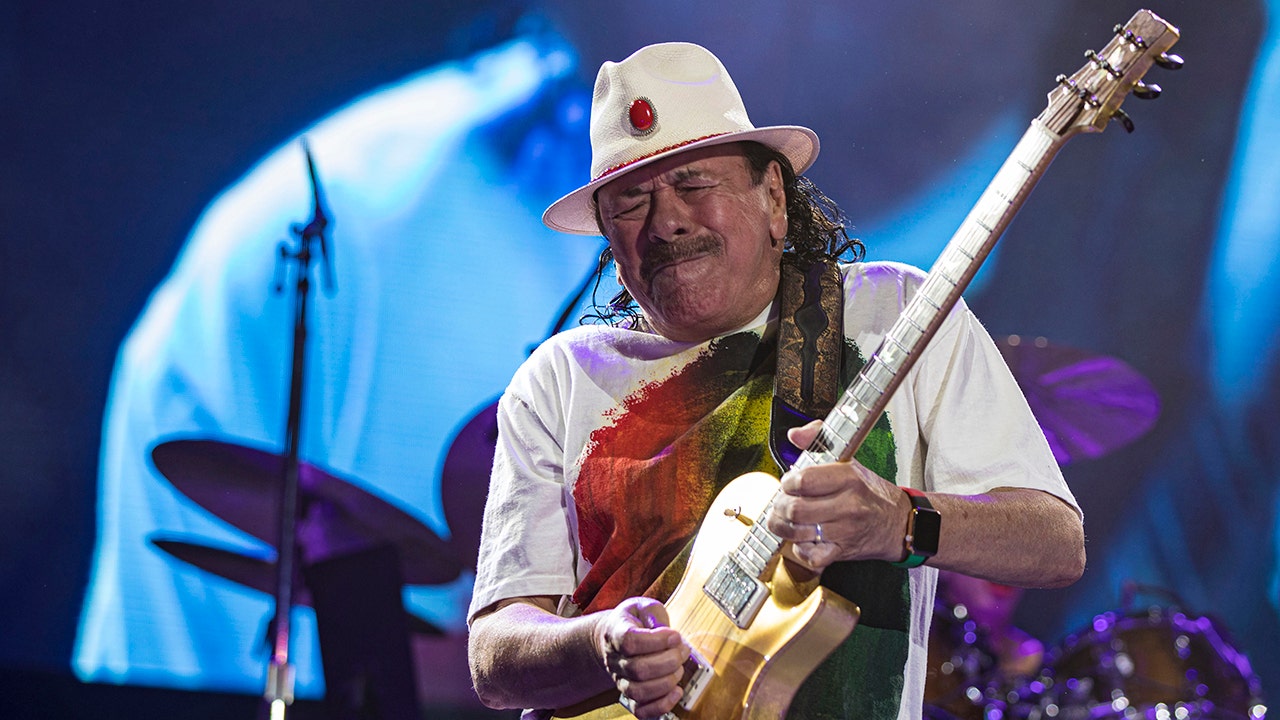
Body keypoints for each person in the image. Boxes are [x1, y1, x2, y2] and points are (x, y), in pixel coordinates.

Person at [466, 41, 1084, 720]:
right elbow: (494, 657)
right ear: (609, 244)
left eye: (694, 184)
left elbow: (1056, 544)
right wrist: (599, 642)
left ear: (773, 199)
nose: (666, 221)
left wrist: (901, 521)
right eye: (632, 204)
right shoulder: (559, 377)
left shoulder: (896, 313)